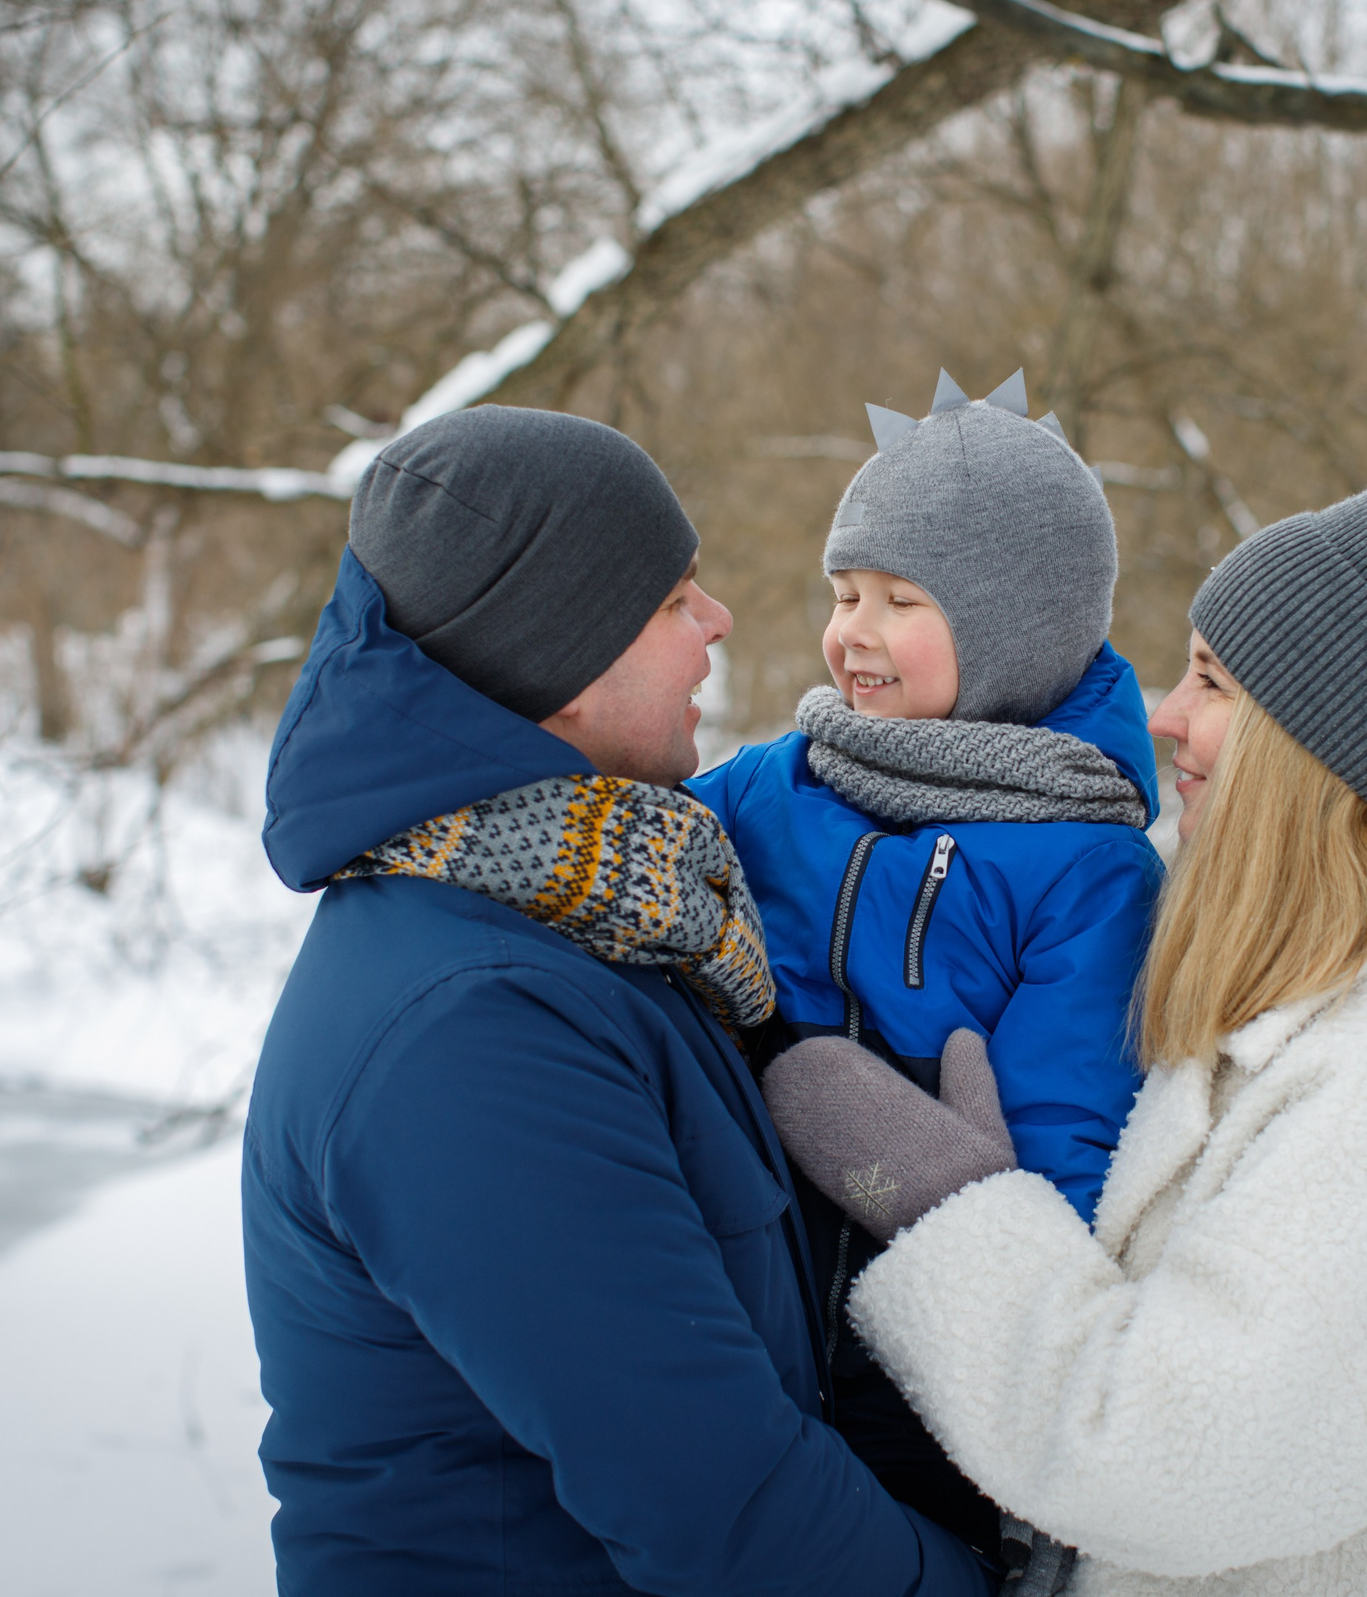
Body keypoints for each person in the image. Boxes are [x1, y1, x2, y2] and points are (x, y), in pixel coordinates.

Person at [763, 456, 1367, 1595]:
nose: (1164, 714)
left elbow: (1158, 1458)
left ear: (1308, 745)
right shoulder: (1224, 944)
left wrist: (945, 1210)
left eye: (1211, 683)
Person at [242, 406, 989, 1596]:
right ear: (555, 647)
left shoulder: (595, 922)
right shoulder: (471, 1027)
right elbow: (723, 1506)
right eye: (669, 597)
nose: (717, 623)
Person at [686, 368, 1163, 1561]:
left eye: (901, 599)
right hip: (744, 1311)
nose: (852, 633)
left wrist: (1021, 1383)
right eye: (844, 592)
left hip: (923, 1364)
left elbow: (1068, 1133)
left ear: (1016, 627)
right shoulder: (771, 785)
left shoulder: (1080, 861)